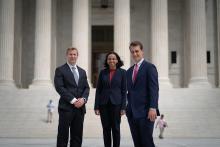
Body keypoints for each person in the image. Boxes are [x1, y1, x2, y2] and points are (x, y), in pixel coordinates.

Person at [126, 41, 160, 147]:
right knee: (137, 143)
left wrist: (153, 107)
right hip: (132, 113)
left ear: (142, 52)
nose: (135, 54)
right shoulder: (129, 71)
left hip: (146, 112)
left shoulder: (150, 67)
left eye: (137, 51)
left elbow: (154, 89)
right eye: (132, 52)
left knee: (147, 142)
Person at [54, 47, 90, 147]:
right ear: (67, 55)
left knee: (77, 136)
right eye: (70, 54)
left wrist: (83, 99)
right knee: (63, 135)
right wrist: (73, 100)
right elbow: (59, 87)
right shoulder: (60, 70)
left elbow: (86, 88)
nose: (72, 56)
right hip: (66, 108)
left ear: (77, 56)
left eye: (74, 54)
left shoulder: (82, 71)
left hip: (80, 109)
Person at [94, 51, 127, 147]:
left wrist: (123, 107)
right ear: (107, 61)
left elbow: (124, 91)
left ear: (117, 60)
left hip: (117, 104)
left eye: (113, 58)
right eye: (109, 59)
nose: (111, 60)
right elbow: (98, 90)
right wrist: (96, 106)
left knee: (116, 128)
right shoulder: (102, 72)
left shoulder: (123, 73)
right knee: (106, 129)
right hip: (103, 104)